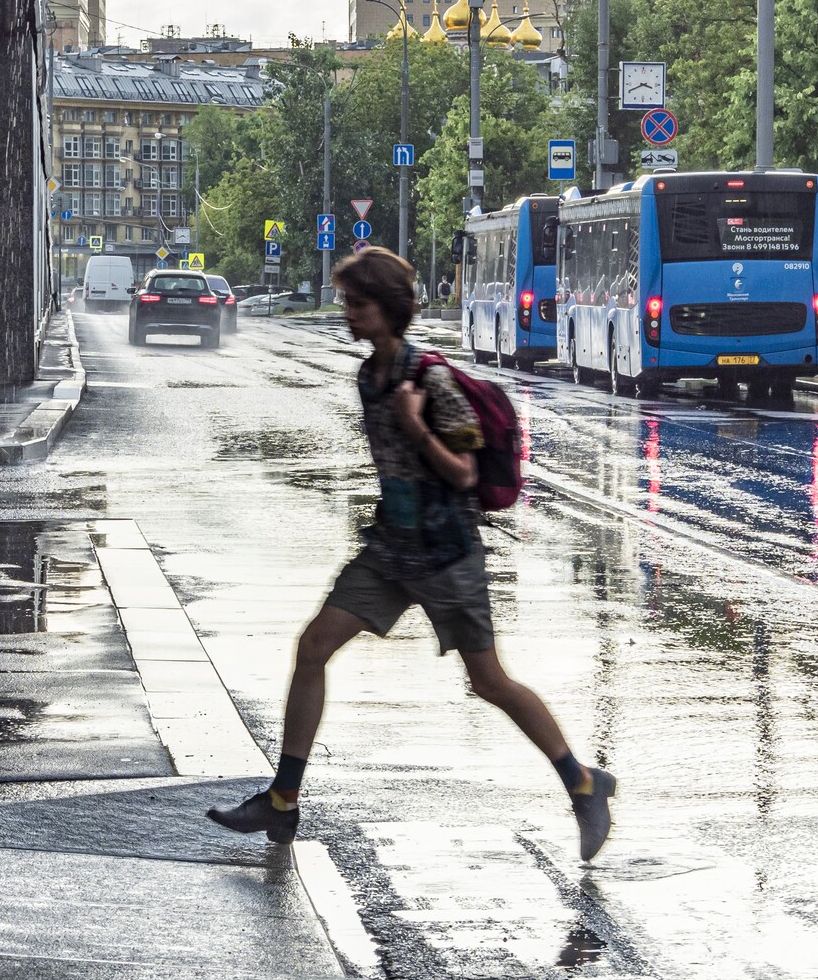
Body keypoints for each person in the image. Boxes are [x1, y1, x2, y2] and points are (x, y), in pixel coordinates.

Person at [207, 246, 618, 859]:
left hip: (447, 556)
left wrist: (416, 423)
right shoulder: (369, 375)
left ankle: (582, 784)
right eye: (347, 302)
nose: (348, 313)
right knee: (313, 647)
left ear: (389, 309)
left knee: (489, 681)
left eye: (358, 304)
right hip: (390, 550)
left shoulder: (431, 380)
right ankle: (282, 801)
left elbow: (464, 476)